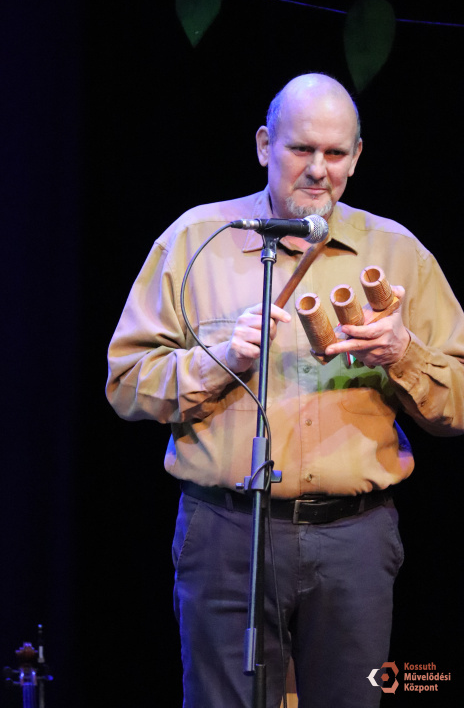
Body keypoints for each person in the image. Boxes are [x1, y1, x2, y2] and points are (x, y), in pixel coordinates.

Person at [106, 74, 464, 708]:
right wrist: (219, 360)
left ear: (357, 156)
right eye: (302, 149)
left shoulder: (398, 253)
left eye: (335, 153)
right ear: (264, 145)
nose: (319, 170)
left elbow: (458, 403)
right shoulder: (196, 241)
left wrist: (403, 354)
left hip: (354, 539)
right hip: (226, 532)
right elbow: (126, 383)